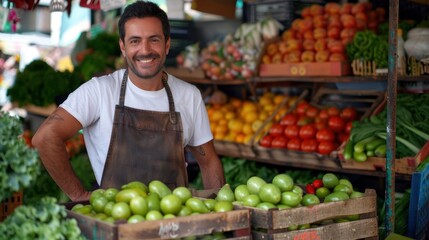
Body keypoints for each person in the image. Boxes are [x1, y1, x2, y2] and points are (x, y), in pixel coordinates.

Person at [32, 1, 225, 202]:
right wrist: (79, 195)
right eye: (135, 41)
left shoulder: (189, 96)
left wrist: (223, 215)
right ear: (123, 47)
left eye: (154, 40)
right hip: (117, 222)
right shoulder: (100, 91)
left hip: (175, 224)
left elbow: (209, 162)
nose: (145, 50)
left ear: (167, 45)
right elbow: (45, 137)